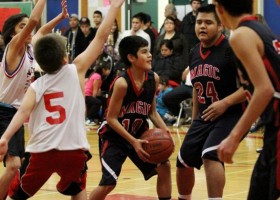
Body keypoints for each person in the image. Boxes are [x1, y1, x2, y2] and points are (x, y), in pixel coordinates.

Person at [0, 0, 125, 199]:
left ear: (38, 61)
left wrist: (5, 137)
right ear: (65, 57)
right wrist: (115, 8)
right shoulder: (77, 70)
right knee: (77, 188)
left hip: (41, 150)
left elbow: (23, 112)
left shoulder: (36, 84)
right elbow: (101, 37)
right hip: (74, 150)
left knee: (17, 195)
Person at [89, 35, 172, 200]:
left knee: (164, 166)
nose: (150, 55)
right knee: (108, 183)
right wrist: (132, 142)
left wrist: (165, 132)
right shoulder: (122, 83)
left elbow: (152, 112)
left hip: (139, 135)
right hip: (114, 137)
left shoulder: (152, 78)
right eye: (144, 52)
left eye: (149, 51)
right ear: (131, 58)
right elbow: (111, 119)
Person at [176, 4, 246, 200]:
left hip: (233, 114)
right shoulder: (193, 52)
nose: (202, 27)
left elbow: (252, 87)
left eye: (208, 22)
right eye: (199, 22)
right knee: (183, 160)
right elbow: (197, 91)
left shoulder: (232, 50)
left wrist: (225, 103)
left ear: (221, 25)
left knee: (210, 154)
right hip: (205, 115)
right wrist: (193, 121)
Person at [0, 0, 68, 198]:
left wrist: (60, 17)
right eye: (23, 26)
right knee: (13, 165)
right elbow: (35, 21)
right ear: (13, 33)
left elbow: (42, 29)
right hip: (3, 110)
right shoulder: (14, 47)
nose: (29, 28)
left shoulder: (30, 50)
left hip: (14, 114)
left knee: (15, 165)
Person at [214, 0, 280, 199]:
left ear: (219, 8)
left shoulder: (240, 35)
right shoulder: (262, 29)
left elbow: (265, 89)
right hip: (272, 127)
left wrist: (233, 137)